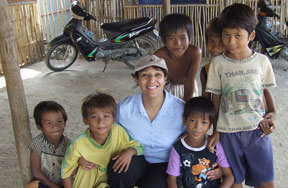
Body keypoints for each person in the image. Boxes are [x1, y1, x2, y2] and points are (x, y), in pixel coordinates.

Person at [105, 55, 222, 188]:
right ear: (136, 79)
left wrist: (216, 160)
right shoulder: (124, 109)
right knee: (118, 170)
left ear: (165, 78)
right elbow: (105, 130)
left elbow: (196, 134)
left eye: (158, 75)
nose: (151, 80)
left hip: (165, 163)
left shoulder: (180, 109)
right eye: (144, 75)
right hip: (135, 156)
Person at [206, 3, 276, 188]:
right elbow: (216, 98)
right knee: (234, 179)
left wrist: (273, 114)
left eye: (238, 35)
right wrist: (216, 130)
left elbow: (264, 91)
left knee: (266, 179)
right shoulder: (218, 64)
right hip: (229, 133)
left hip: (257, 130)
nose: (231, 42)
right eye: (226, 35)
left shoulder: (261, 61)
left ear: (251, 35)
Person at [61, 92, 144, 188]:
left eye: (106, 116)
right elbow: (66, 171)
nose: (101, 121)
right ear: (85, 120)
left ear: (114, 119)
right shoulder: (77, 144)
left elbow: (139, 147)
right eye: (94, 116)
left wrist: (130, 151)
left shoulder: (118, 132)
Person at [167, 97, 234, 188]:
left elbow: (229, 176)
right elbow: (171, 179)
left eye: (204, 122)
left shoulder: (215, 145)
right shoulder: (178, 148)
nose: (197, 127)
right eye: (193, 120)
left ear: (210, 125)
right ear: (184, 120)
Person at [154, 13, 201, 101]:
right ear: (163, 40)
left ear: (190, 39)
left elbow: (189, 80)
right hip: (167, 89)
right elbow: (158, 82)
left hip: (190, 89)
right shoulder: (159, 55)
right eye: (171, 38)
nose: (177, 44)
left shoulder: (194, 53)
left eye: (183, 38)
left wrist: (187, 105)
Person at [26, 101, 70, 188]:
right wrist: (53, 186)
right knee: (32, 186)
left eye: (59, 121)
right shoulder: (38, 143)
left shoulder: (69, 145)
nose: (55, 126)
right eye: (49, 123)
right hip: (45, 183)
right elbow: (36, 171)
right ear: (39, 126)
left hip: (64, 184)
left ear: (65, 123)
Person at [200, 17, 226, 98]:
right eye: (211, 41)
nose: (215, 48)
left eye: (221, 43)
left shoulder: (238, 68)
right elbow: (206, 99)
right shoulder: (206, 70)